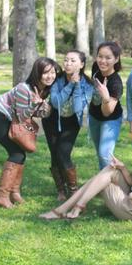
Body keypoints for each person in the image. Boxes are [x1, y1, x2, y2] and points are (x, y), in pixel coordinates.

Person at [39, 123, 132, 221]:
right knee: (110, 169)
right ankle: (72, 207)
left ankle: (68, 208)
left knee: (101, 181)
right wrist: (123, 167)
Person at [0, 57, 61, 208]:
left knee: (19, 154)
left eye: (53, 72)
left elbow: (36, 114)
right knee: (17, 153)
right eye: (46, 73)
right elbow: (22, 116)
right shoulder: (23, 88)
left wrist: (45, 108)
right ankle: (1, 195)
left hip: (9, 117)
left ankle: (14, 193)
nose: (50, 76)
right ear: (37, 73)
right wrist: (33, 104)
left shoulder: (43, 90)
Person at [42, 50, 94, 201]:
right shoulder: (57, 79)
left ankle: (73, 190)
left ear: (82, 64)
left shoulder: (88, 85)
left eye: (73, 61)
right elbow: (56, 103)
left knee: (63, 153)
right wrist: (71, 85)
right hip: (52, 120)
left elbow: (78, 108)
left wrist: (77, 87)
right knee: (54, 153)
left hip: (71, 123)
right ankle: (61, 190)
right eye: (66, 60)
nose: (68, 64)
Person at [88, 41, 124, 170]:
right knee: (100, 154)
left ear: (116, 59)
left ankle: (111, 186)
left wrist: (106, 98)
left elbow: (107, 112)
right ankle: (104, 185)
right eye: (100, 56)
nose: (103, 61)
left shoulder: (116, 83)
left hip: (111, 120)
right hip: (93, 116)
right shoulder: (95, 68)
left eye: (108, 58)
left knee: (105, 155)